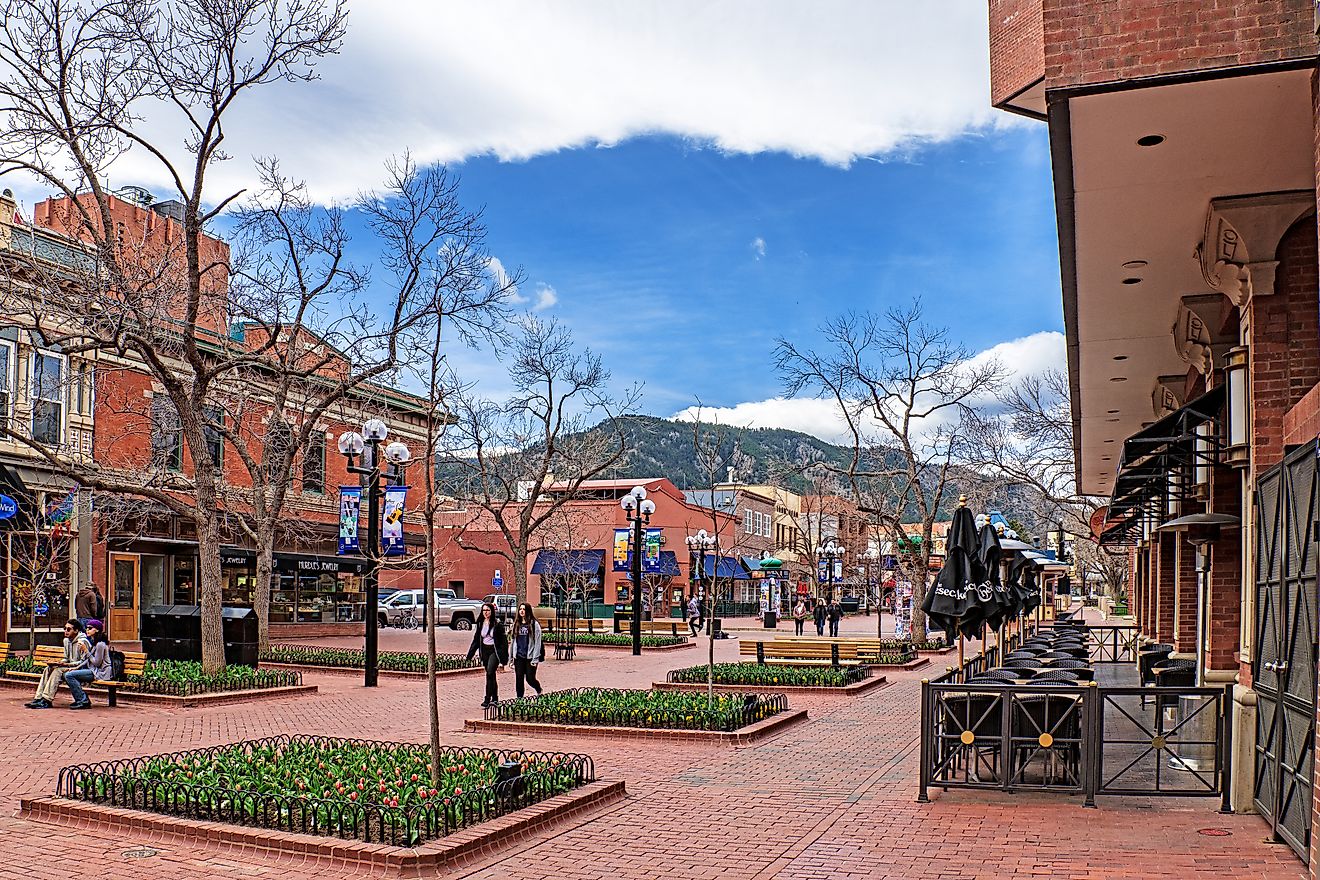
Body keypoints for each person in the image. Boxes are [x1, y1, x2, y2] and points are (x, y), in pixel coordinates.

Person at [26, 619, 90, 709]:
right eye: (65, 629)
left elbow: (84, 661)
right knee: (48, 669)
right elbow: (67, 658)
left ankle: (47, 700)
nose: (66, 631)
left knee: (57, 671)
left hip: (79, 668)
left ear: (76, 630)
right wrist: (59, 662)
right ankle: (39, 698)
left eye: (69, 629)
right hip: (69, 666)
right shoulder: (66, 641)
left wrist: (66, 665)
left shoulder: (83, 642)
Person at [62, 619, 112, 709]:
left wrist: (86, 650)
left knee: (69, 676)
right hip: (93, 671)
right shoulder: (94, 643)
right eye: (87, 628)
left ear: (97, 630)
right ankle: (80, 699)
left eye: (90, 628)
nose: (87, 630)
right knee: (68, 674)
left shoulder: (100, 644)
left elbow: (97, 663)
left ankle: (83, 700)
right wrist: (76, 668)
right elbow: (87, 661)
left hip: (100, 673)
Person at [465, 602, 507, 708]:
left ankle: (487, 699)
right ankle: (495, 698)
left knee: (489, 672)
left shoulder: (497, 624)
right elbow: (476, 640)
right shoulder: (480, 623)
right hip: (485, 651)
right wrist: (469, 655)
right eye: (484, 610)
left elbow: (504, 642)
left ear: (492, 611)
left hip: (494, 651)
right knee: (491, 675)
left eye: (488, 610)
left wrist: (504, 658)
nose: (485, 612)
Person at [511, 603, 544, 699]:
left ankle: (538, 689)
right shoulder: (516, 624)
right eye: (520, 609)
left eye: (524, 609)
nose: (521, 611)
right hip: (519, 656)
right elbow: (513, 642)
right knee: (519, 679)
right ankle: (519, 698)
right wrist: (511, 657)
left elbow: (538, 642)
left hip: (530, 657)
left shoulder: (534, 624)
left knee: (530, 678)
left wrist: (535, 658)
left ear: (528, 611)